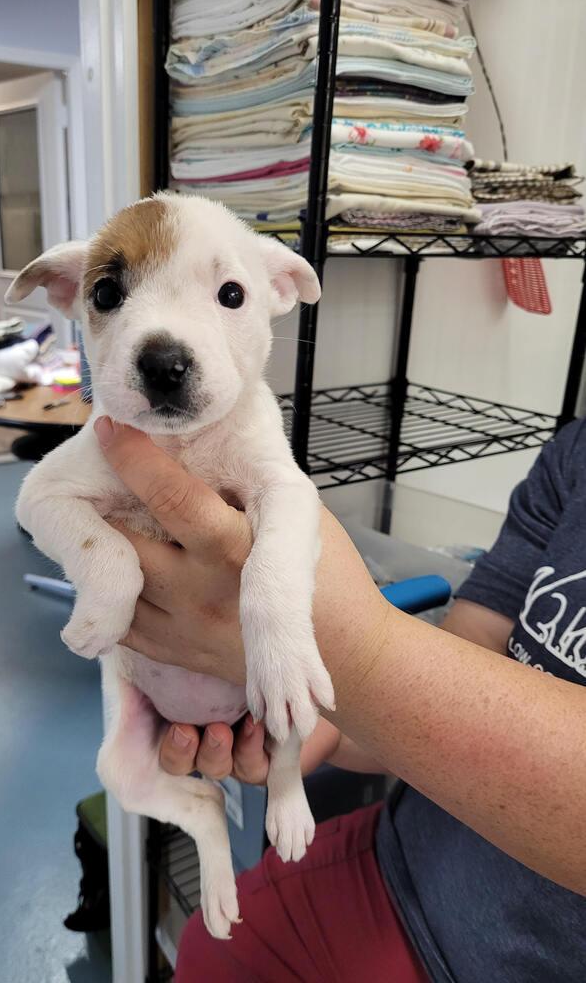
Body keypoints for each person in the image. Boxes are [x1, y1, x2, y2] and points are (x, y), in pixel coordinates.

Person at [93, 414, 586, 982]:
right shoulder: (573, 452)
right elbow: (472, 645)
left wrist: (358, 654)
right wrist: (324, 722)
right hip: (407, 857)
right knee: (214, 947)